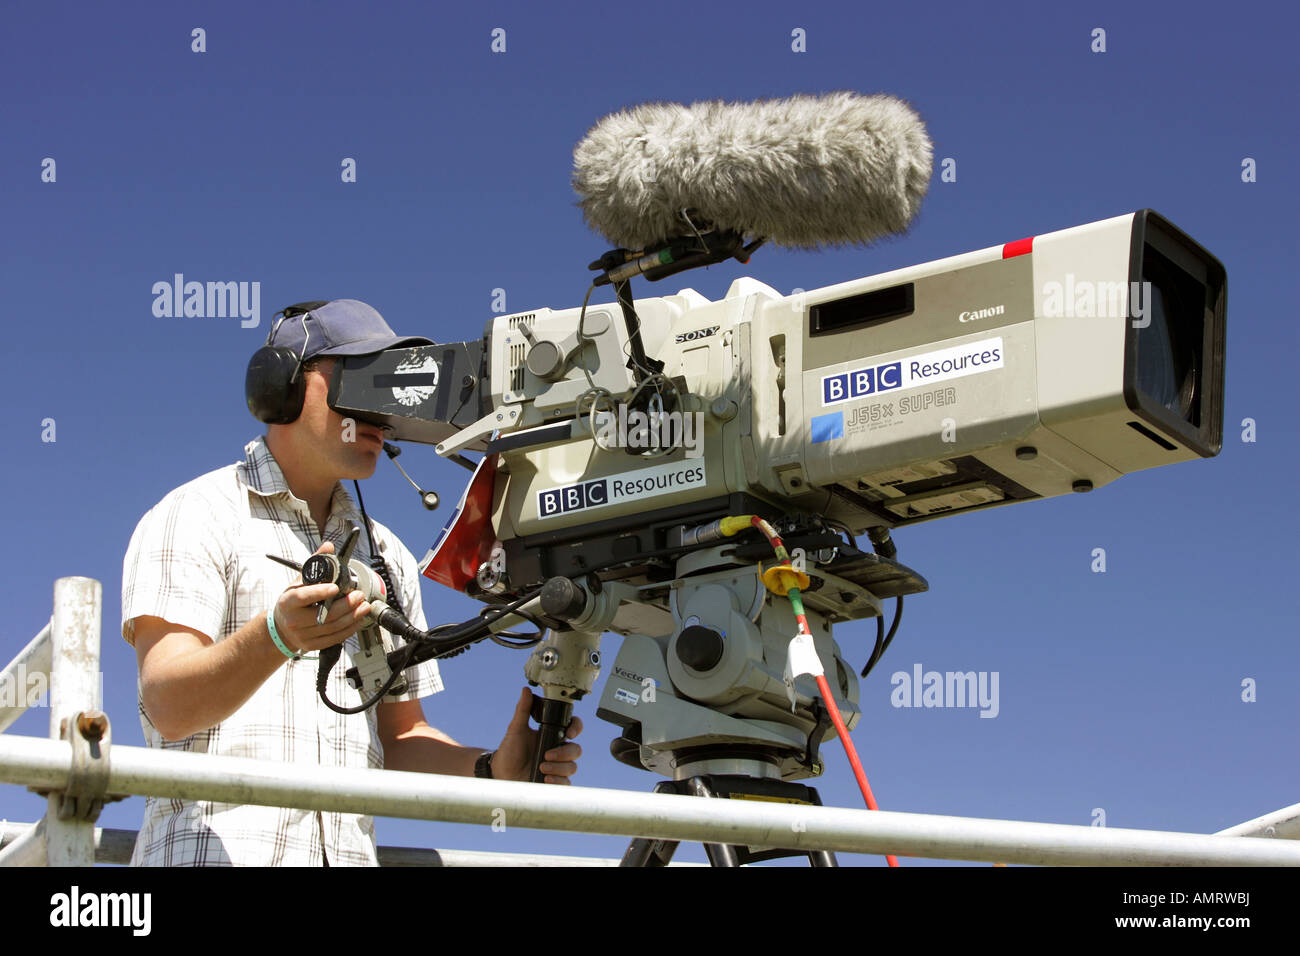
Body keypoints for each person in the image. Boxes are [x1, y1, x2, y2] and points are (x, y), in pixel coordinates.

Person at [121, 299, 582, 866]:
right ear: (281, 385)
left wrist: (490, 768)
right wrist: (276, 637)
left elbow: (398, 738)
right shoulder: (196, 513)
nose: (380, 404)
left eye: (390, 384)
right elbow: (167, 703)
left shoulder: (385, 553)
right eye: (360, 376)